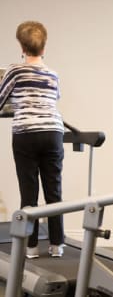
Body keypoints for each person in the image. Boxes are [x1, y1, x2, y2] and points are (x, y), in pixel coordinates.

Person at [0, 21, 65, 258]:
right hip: (52, 132)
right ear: (43, 47)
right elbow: (52, 99)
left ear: (21, 45)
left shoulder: (14, 71)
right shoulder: (53, 74)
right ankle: (57, 245)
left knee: (29, 192)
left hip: (26, 133)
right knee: (54, 191)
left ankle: (31, 247)